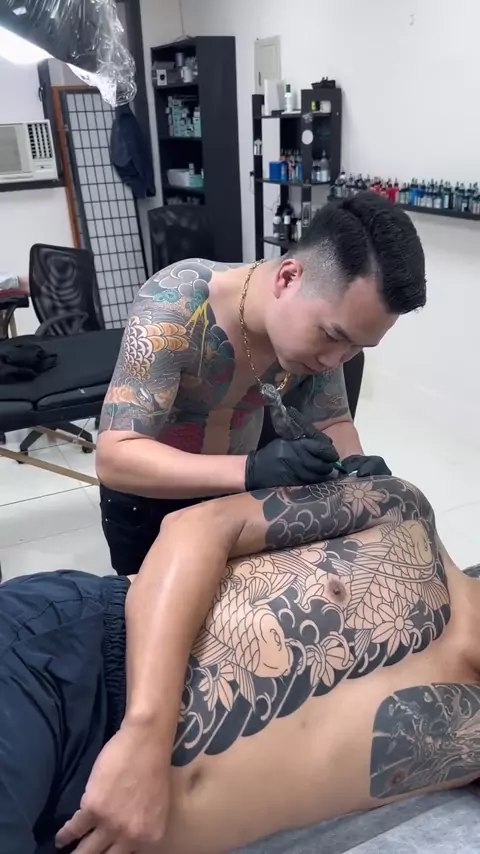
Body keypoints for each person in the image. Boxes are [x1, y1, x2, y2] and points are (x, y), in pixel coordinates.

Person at [3, 474, 480, 854]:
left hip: (106, 831)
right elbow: (198, 527)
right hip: (75, 671)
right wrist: (145, 733)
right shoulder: (403, 512)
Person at [96, 192, 427, 575]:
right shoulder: (175, 308)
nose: (334, 360)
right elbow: (114, 458)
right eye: (333, 335)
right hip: (150, 499)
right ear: (288, 278)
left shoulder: (322, 337)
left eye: (356, 346)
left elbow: (331, 420)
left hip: (236, 500)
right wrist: (251, 470)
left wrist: (354, 469)